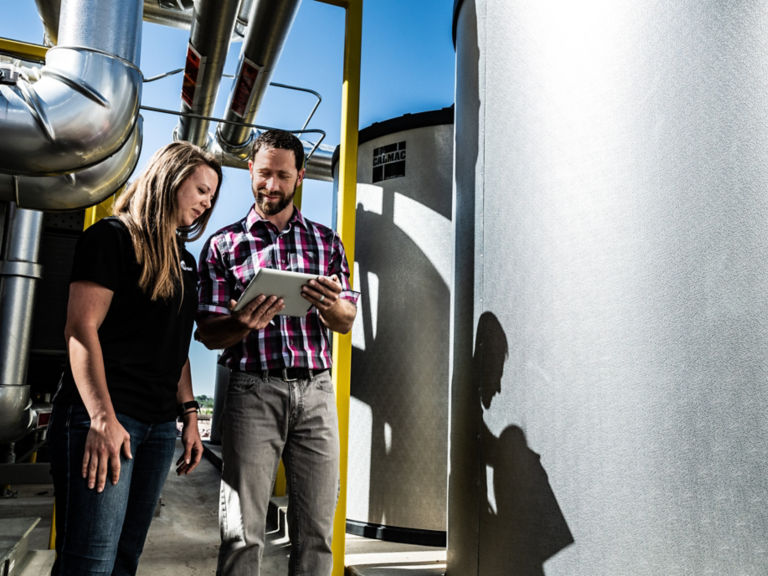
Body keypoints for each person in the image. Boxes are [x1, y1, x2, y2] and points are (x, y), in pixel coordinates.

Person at [48, 141, 222, 576]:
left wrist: (188, 416)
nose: (207, 203)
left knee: (125, 562)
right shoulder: (110, 238)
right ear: (170, 179)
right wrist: (102, 420)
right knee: (90, 563)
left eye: (212, 197)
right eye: (201, 190)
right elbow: (79, 330)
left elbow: (176, 347)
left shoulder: (184, 260)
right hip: (108, 416)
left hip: (160, 427)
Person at [196, 129, 359, 576]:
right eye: (264, 173)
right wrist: (241, 323)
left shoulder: (327, 243)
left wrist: (331, 307)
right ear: (250, 169)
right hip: (252, 391)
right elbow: (209, 334)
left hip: (316, 393)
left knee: (317, 532)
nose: (271, 185)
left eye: (282, 176)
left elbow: (346, 322)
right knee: (242, 531)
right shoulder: (223, 246)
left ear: (301, 177)